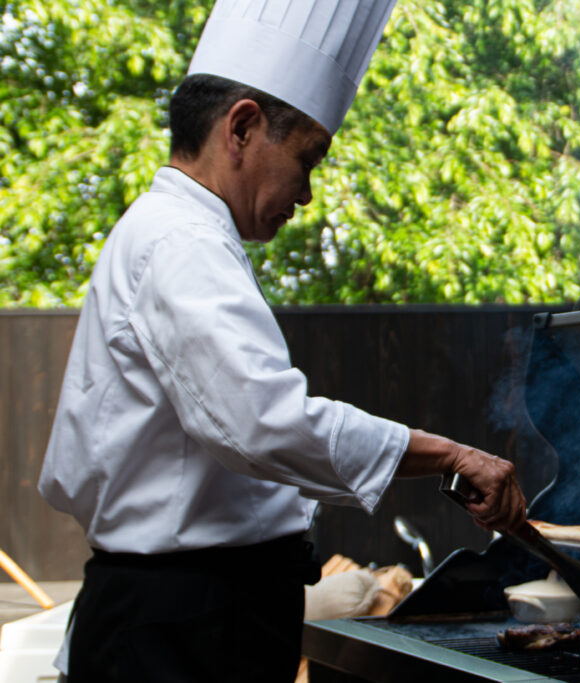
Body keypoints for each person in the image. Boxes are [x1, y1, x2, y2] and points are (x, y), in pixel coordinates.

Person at [37, 1, 527, 681]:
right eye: (308, 158)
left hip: (197, 619)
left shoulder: (184, 234)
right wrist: (452, 455)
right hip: (180, 630)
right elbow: (263, 421)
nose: (307, 193)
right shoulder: (181, 241)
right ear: (241, 127)